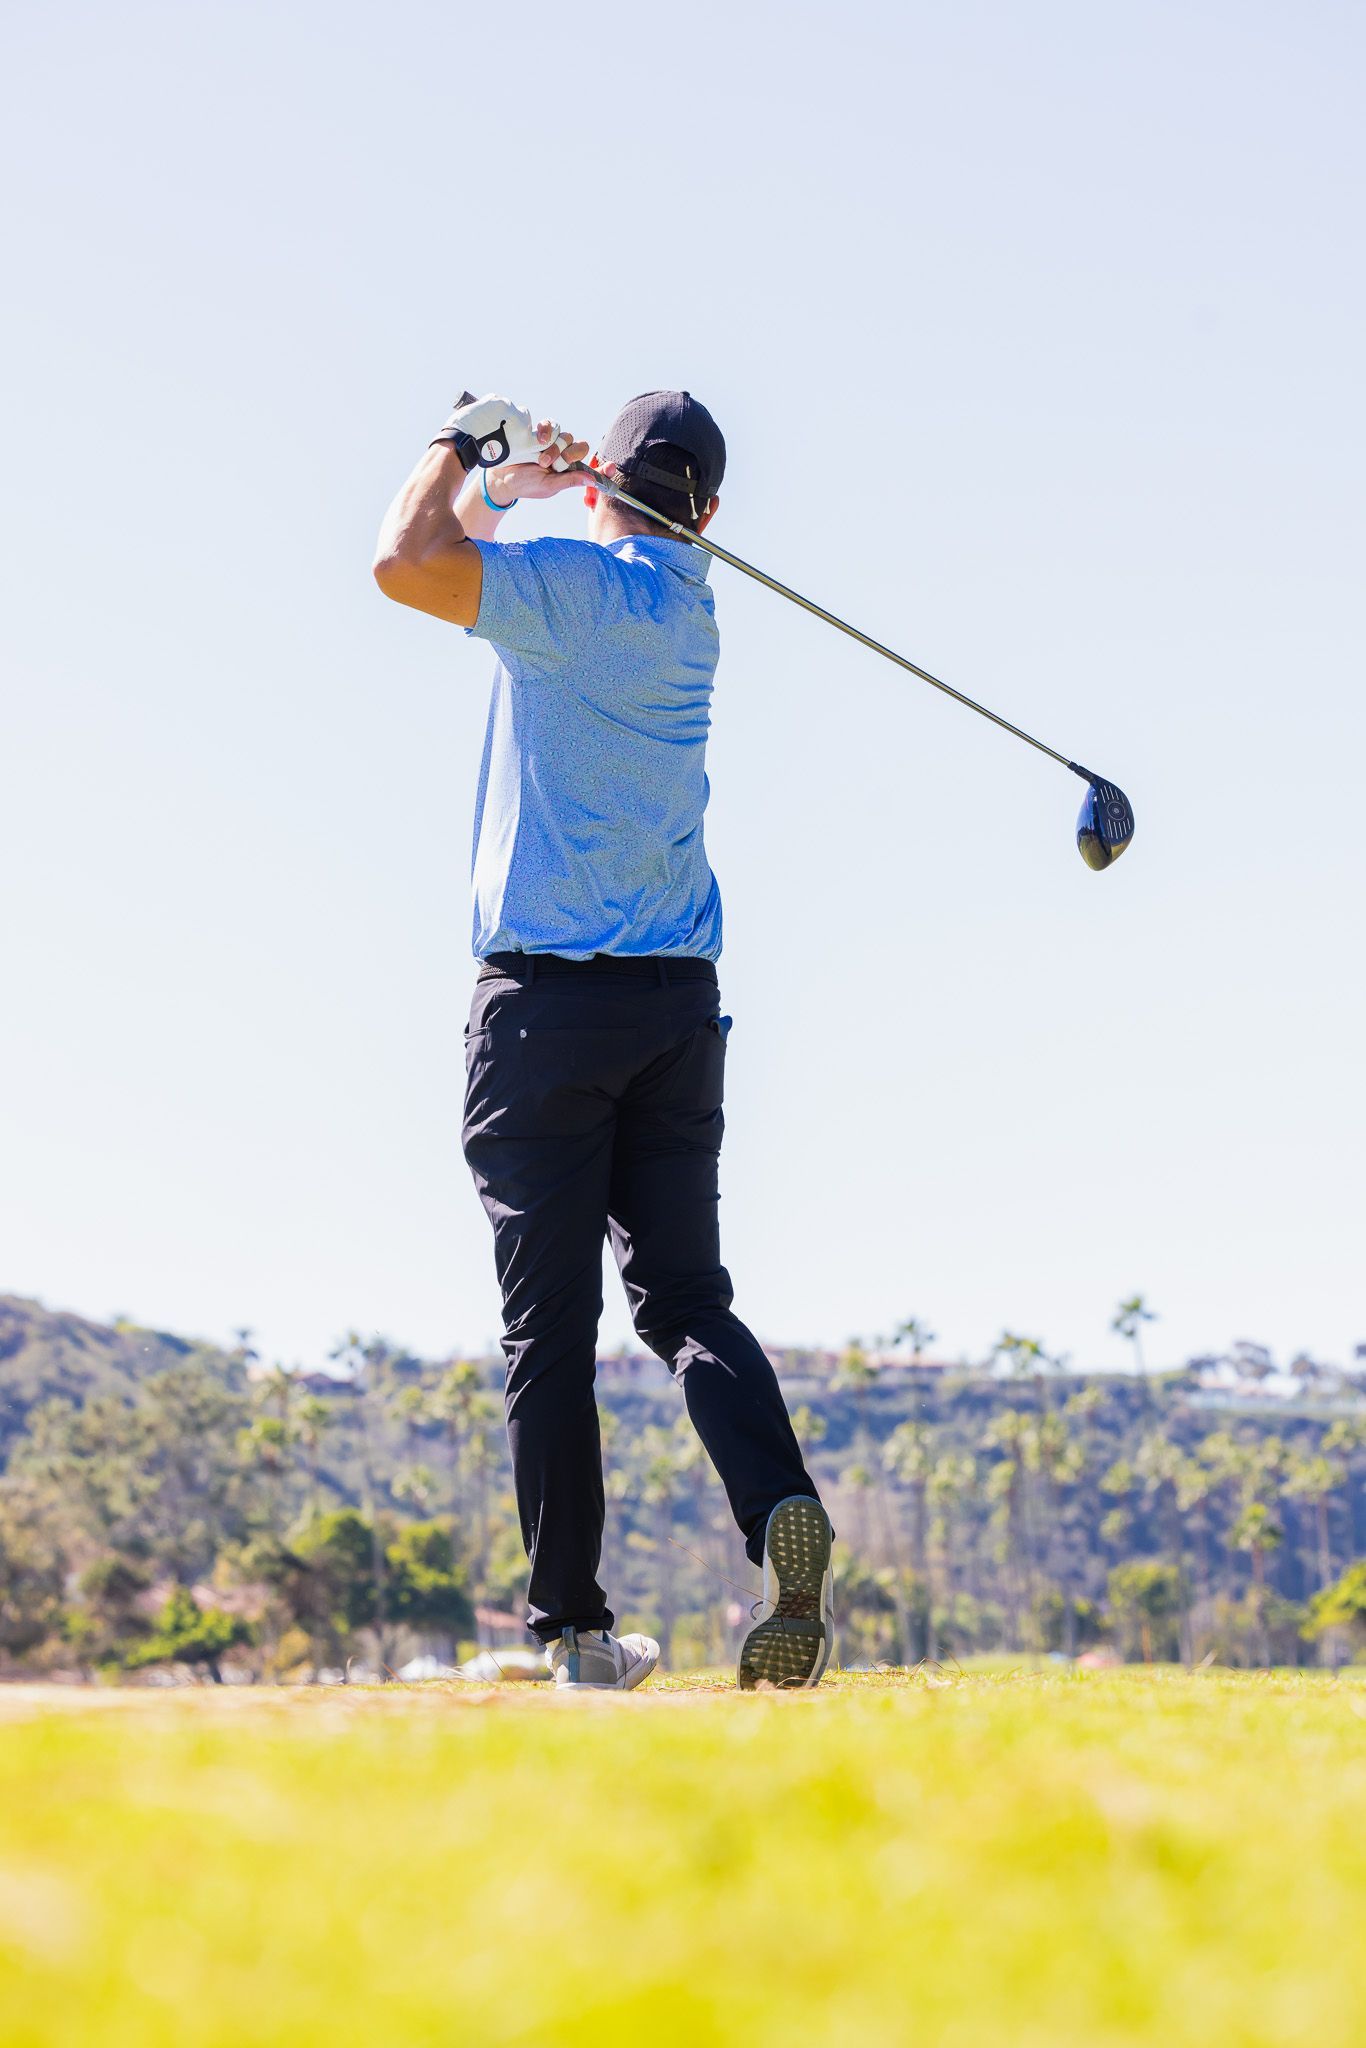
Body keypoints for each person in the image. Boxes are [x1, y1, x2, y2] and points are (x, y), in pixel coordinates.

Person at [373, 389, 832, 1690]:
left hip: (544, 1015)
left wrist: (463, 447)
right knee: (686, 1300)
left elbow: (405, 562)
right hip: (675, 1009)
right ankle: (778, 1508)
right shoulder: (688, 607)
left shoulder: (565, 594)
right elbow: (472, 557)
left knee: (550, 1331)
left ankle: (574, 1631)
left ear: (603, 485)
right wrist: (509, 495)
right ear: (711, 512)